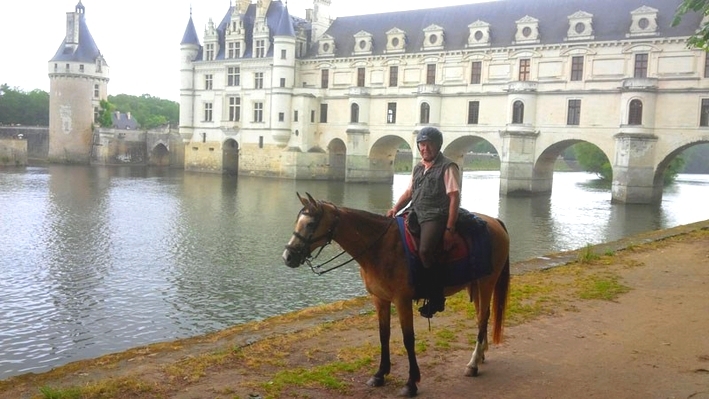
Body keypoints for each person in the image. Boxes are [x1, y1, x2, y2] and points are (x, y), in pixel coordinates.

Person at [386, 126, 461, 318]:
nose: (424, 148)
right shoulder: (419, 167)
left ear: (437, 146)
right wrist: (395, 208)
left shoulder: (448, 167)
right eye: (421, 145)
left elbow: (454, 197)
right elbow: (409, 193)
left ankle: (436, 297)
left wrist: (450, 228)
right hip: (416, 212)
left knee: (425, 250)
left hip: (436, 215)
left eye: (428, 145)